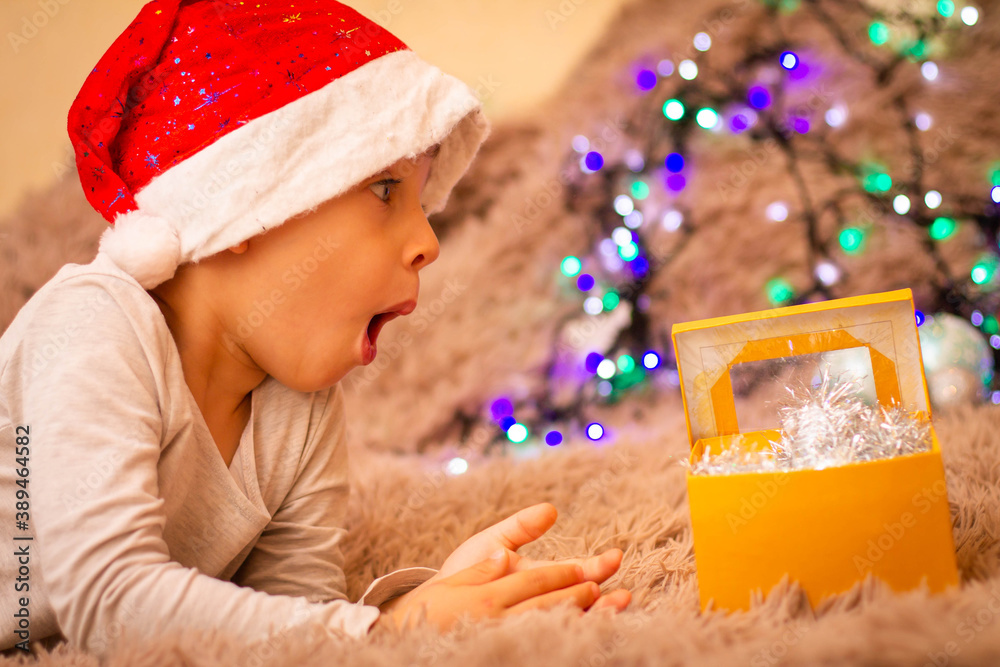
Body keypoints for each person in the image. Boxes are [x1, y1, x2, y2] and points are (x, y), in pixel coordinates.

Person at [0, 0, 631, 656]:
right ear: (242, 206)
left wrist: (433, 602)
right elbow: (108, 598)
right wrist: (392, 629)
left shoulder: (298, 398)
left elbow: (295, 623)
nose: (427, 241)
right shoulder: (94, 326)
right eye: (387, 190)